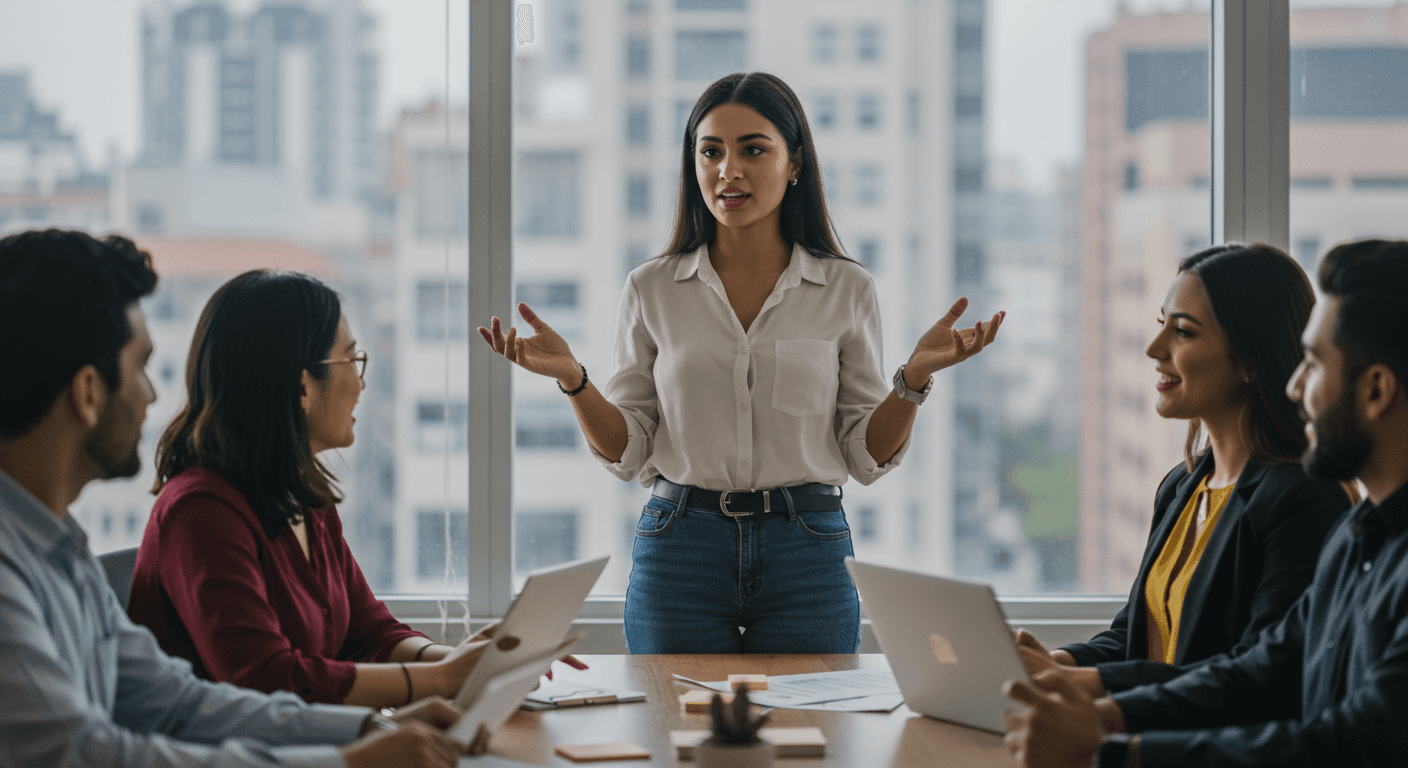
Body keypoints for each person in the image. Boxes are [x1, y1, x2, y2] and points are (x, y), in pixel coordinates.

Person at [481, 71, 1003, 654]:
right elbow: (629, 451)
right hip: (680, 547)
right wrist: (574, 381)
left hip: (807, 549)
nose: (728, 170)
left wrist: (911, 382)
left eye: (753, 149)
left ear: (795, 162)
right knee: (674, 730)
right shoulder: (651, 287)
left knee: (812, 735)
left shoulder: (845, 288)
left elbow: (864, 454)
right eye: (711, 152)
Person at [0, 228, 468, 768]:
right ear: (87, 393)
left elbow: (177, 702)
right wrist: (350, 759)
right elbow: (87, 755)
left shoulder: (62, 553)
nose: (153, 395)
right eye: (140, 369)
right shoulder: (24, 565)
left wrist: (363, 728)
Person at [1002, 239, 1408, 768]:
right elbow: (1264, 669)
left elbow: (1350, 742)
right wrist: (1102, 716)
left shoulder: (1320, 510)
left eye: (1311, 364)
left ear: (1376, 391)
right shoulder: (1360, 535)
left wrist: (1116, 751)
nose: (1293, 387)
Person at [127, 269, 526, 709]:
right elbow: (266, 681)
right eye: (352, 361)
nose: (361, 383)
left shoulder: (303, 497)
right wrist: (440, 679)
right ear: (302, 386)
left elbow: (369, 633)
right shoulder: (200, 512)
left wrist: (460, 664)